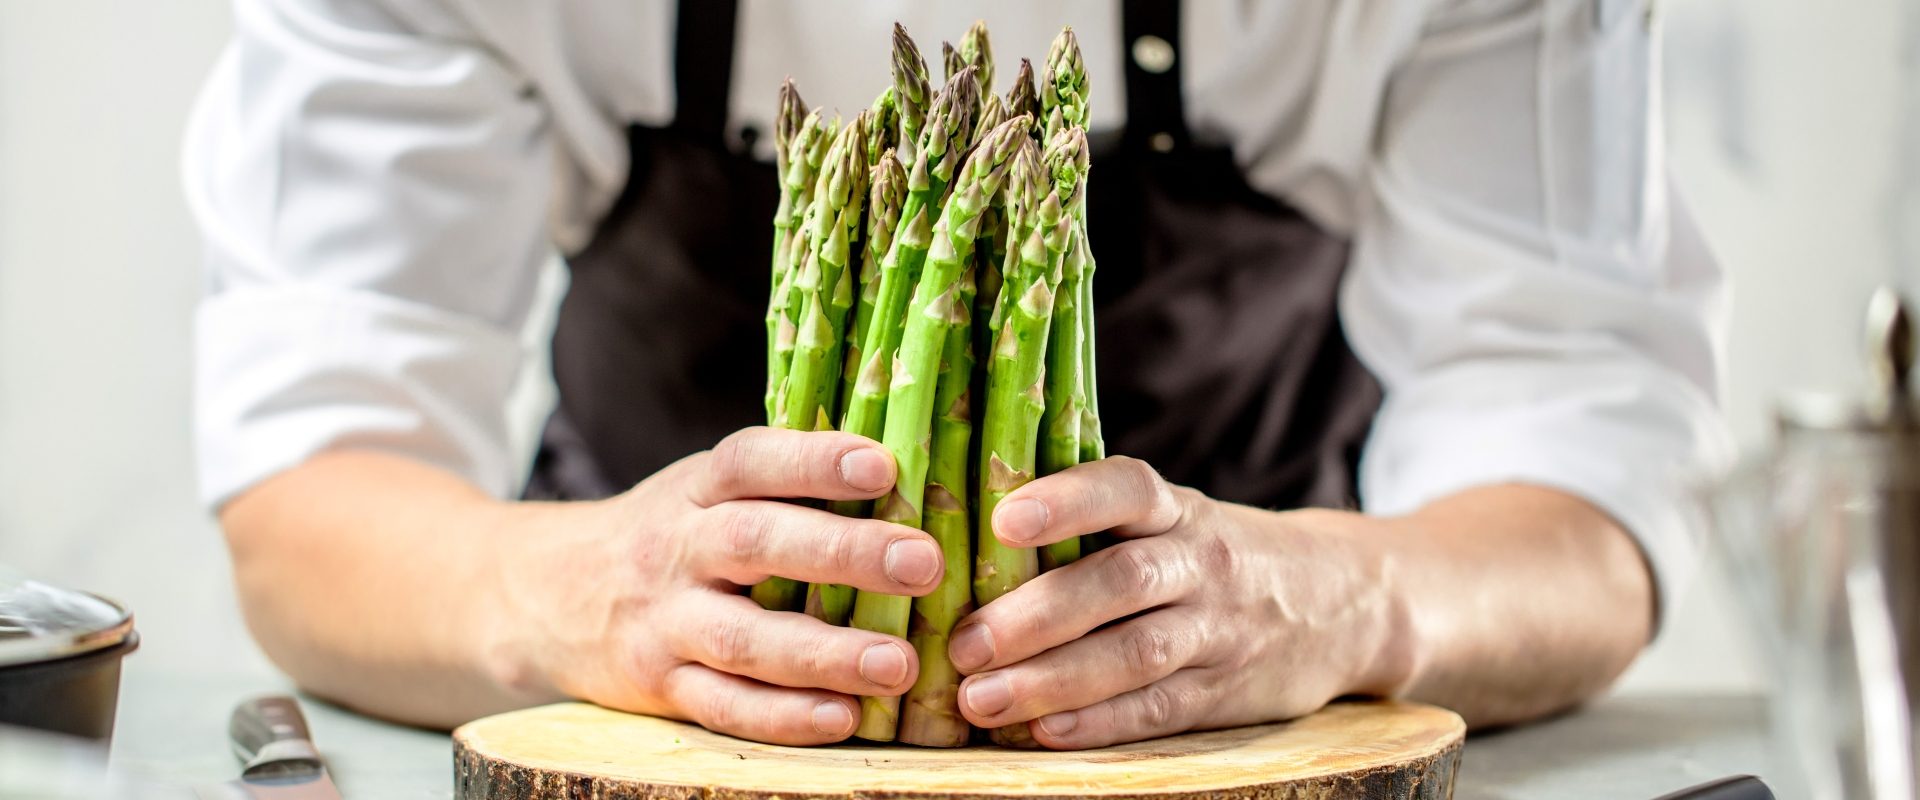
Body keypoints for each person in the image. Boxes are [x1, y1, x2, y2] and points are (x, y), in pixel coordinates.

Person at [186, 0, 1727, 748]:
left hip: (1242, 760)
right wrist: (567, 593)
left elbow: (1585, 493)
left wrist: (1342, 598)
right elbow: (311, 477)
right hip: (649, 759)